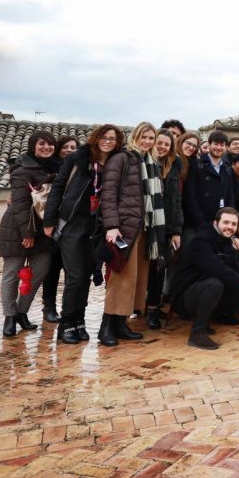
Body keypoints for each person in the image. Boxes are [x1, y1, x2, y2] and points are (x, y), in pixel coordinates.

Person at [43, 123, 124, 344]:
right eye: (104, 137)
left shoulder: (116, 162)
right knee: (75, 276)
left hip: (96, 225)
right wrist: (49, 219)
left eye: (113, 138)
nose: (108, 141)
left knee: (86, 276)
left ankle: (79, 321)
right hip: (73, 222)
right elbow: (58, 187)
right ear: (96, 138)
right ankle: (66, 325)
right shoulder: (78, 158)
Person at [97, 122, 166, 347]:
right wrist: (111, 226)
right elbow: (108, 193)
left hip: (145, 227)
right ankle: (106, 326)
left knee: (136, 279)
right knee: (121, 277)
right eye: (144, 137)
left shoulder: (150, 162)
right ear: (135, 136)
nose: (147, 141)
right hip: (125, 227)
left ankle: (121, 324)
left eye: (151, 138)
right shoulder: (123, 159)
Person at [0, 131, 58, 337]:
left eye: (50, 145)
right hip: (17, 228)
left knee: (40, 271)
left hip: (42, 229)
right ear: (33, 146)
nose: (46, 147)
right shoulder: (22, 169)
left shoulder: (55, 167)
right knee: (12, 273)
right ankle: (9, 317)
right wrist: (27, 233)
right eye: (42, 144)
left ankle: (22, 312)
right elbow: (21, 204)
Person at [171, 208, 239, 350]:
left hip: (204, 290)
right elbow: (217, 268)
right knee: (216, 284)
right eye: (226, 222)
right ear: (216, 223)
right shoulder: (201, 240)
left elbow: (234, 267)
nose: (230, 227)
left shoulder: (226, 240)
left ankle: (216, 316)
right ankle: (198, 333)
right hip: (184, 297)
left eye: (233, 224)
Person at [144, 129, 183, 330]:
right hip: (145, 223)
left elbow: (176, 200)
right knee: (146, 269)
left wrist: (176, 230)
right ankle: (143, 307)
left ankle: (152, 308)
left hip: (164, 225)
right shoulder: (143, 162)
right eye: (160, 142)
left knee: (159, 268)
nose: (162, 147)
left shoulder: (173, 166)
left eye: (167, 144)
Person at [40, 134, 77, 324]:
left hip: (73, 227)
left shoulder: (79, 169)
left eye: (73, 147)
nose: (69, 150)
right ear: (59, 148)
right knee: (52, 269)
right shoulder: (51, 168)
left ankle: (67, 307)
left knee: (71, 271)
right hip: (54, 225)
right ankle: (49, 306)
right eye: (66, 147)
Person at [182, 130, 235, 242]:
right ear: (209, 145)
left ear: (226, 147)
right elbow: (190, 196)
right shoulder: (196, 164)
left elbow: (229, 196)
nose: (219, 147)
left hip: (218, 223)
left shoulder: (227, 168)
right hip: (196, 223)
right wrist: (200, 222)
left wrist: (227, 219)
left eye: (222, 145)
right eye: (215, 144)